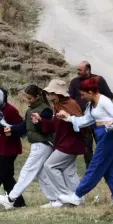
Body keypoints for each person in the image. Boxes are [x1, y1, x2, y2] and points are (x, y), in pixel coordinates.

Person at [60, 78, 113, 205]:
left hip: (109, 137)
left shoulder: (104, 101)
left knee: (95, 166)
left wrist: (110, 126)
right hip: (103, 136)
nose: (82, 97)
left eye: (83, 94)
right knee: (110, 169)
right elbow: (86, 120)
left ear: (90, 92)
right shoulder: (92, 105)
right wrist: (68, 118)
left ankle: (77, 195)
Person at [0, 85, 52, 209]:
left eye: (30, 98)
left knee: (27, 171)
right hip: (38, 144)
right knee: (40, 173)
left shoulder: (45, 110)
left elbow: (47, 129)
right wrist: (12, 128)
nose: (27, 100)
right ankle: (55, 199)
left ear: (37, 97)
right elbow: (24, 125)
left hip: (43, 144)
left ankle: (11, 198)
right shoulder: (31, 110)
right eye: (26, 98)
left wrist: (39, 122)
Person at [36, 79, 86, 208]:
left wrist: (68, 118)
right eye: (49, 94)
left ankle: (65, 198)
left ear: (60, 94)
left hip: (71, 143)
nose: (50, 96)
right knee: (69, 171)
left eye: (53, 93)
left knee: (49, 166)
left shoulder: (71, 104)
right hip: (64, 142)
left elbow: (82, 124)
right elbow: (55, 125)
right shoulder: (57, 105)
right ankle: (78, 199)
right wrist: (42, 120)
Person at [69, 61, 113, 164]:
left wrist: (97, 105)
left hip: (98, 119)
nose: (78, 72)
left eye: (80, 70)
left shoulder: (98, 80)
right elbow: (70, 99)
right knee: (87, 147)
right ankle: (90, 169)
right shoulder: (75, 82)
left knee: (101, 144)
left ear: (88, 70)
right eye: (78, 69)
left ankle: (104, 166)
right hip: (83, 119)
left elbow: (109, 95)